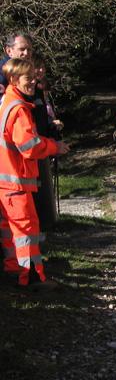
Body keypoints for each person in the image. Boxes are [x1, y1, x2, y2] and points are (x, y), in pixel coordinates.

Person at [0, 58, 69, 286]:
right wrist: (54, 146)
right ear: (14, 80)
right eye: (27, 78)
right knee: (26, 232)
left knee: (12, 232)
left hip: (7, 181)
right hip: (16, 182)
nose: (32, 83)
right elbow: (29, 146)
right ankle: (31, 278)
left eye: (33, 77)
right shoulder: (19, 109)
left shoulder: (7, 102)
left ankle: (14, 270)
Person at [30, 53, 62, 232]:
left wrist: (51, 126)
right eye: (38, 67)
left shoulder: (40, 92)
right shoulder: (30, 92)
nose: (41, 70)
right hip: (36, 145)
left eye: (43, 67)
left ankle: (45, 223)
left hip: (43, 141)